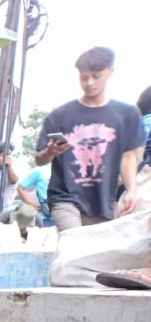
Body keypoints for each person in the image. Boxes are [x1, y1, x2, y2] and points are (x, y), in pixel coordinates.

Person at [34, 47, 143, 230]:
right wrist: (50, 152)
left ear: (110, 73)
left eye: (96, 76)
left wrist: (131, 190)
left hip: (102, 202)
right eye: (84, 77)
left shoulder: (127, 115)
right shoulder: (60, 116)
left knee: (94, 254)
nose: (89, 83)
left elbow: (128, 156)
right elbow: (39, 159)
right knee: (74, 244)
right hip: (64, 197)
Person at [13, 165, 52, 231]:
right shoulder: (40, 171)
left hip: (62, 219)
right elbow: (20, 187)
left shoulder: (67, 172)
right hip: (43, 219)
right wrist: (30, 203)